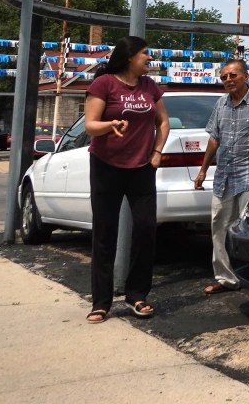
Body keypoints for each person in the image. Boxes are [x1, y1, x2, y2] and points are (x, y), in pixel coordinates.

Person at [83, 36, 169, 323]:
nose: (149, 58)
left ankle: (137, 295)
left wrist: (156, 152)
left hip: (142, 167)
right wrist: (110, 125)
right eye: (145, 53)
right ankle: (101, 302)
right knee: (105, 233)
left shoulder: (149, 86)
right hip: (106, 166)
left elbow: (163, 122)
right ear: (130, 56)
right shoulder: (104, 84)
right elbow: (91, 126)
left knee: (146, 228)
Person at [194, 58, 249, 295]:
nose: (228, 80)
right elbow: (214, 139)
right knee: (218, 226)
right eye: (224, 77)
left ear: (245, 76)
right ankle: (225, 278)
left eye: (232, 75)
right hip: (224, 176)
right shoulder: (221, 104)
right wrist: (203, 170)